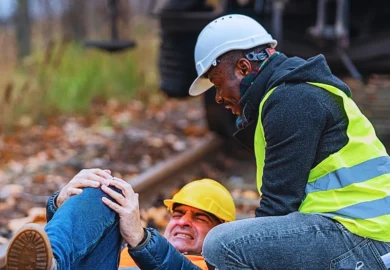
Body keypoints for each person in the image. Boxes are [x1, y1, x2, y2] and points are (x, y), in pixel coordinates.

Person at [186, 14, 390, 269]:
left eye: (217, 84)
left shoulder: (292, 101)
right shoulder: (290, 92)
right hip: (355, 231)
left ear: (243, 68)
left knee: (222, 244)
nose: (217, 98)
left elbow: (276, 209)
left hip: (364, 238)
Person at [5, 169, 236, 270]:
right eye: (178, 214)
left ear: (222, 232)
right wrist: (59, 205)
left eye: (200, 217)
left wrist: (140, 239)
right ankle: (52, 263)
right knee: (104, 189)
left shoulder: (216, 267)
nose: (184, 221)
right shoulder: (124, 252)